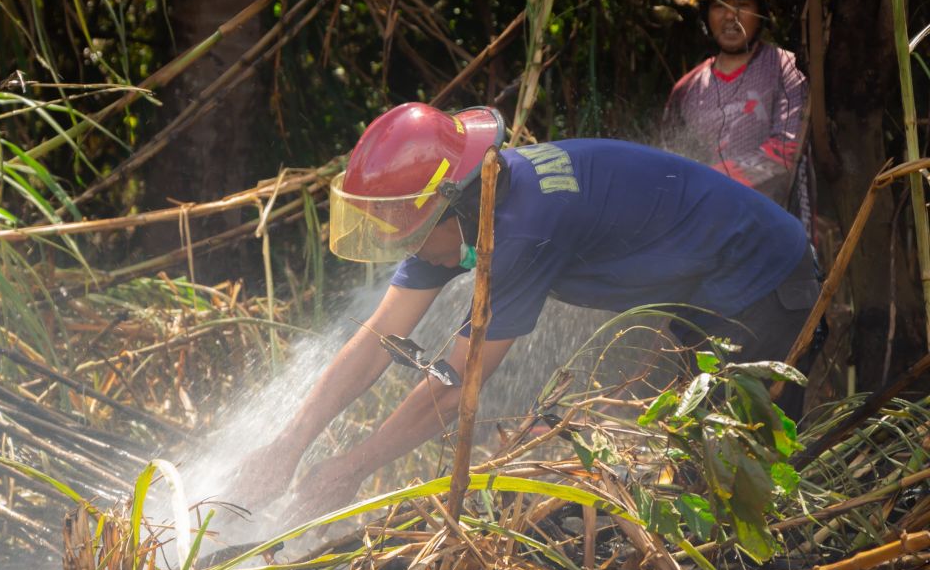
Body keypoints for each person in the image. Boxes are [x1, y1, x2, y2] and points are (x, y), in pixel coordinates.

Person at [234, 102, 819, 517]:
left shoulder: (524, 231)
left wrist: (351, 468)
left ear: (449, 205)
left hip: (761, 279)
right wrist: (289, 445)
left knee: (742, 480)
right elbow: (375, 338)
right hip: (707, 285)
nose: (405, 250)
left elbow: (452, 385)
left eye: (409, 234)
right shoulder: (470, 204)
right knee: (699, 464)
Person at [662, 0, 812, 233]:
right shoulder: (687, 89)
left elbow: (786, 151)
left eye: (742, 4)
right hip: (707, 237)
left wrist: (709, 183)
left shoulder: (787, 69)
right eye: (719, 5)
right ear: (706, 14)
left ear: (761, 12)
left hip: (776, 232)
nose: (731, 16)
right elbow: (670, 167)